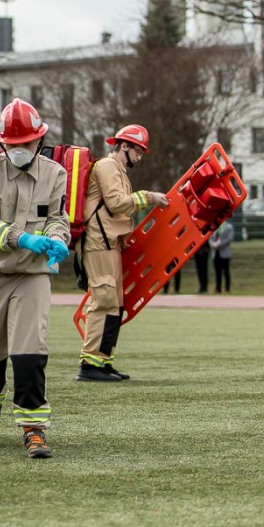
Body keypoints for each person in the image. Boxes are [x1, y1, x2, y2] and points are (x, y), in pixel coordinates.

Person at [0, 99, 69, 459]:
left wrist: (58, 239)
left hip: (32, 274)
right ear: (2, 143)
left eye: (26, 143)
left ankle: (33, 428)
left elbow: (58, 217)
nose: (20, 149)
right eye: (13, 144)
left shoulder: (55, 174)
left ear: (39, 141)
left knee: (30, 349)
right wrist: (21, 238)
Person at [76, 124, 169, 382]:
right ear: (124, 146)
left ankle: (103, 361)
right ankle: (89, 363)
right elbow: (116, 203)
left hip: (109, 242)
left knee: (115, 302)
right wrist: (149, 197)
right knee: (104, 299)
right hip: (98, 242)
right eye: (138, 151)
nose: (139, 156)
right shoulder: (107, 166)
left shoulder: (117, 170)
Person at [210, 220, 234, 293]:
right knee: (217, 272)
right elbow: (210, 238)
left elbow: (229, 239)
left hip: (224, 253)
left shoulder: (229, 227)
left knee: (226, 271)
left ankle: (227, 288)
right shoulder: (214, 226)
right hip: (215, 253)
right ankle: (218, 288)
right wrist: (213, 244)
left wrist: (220, 244)